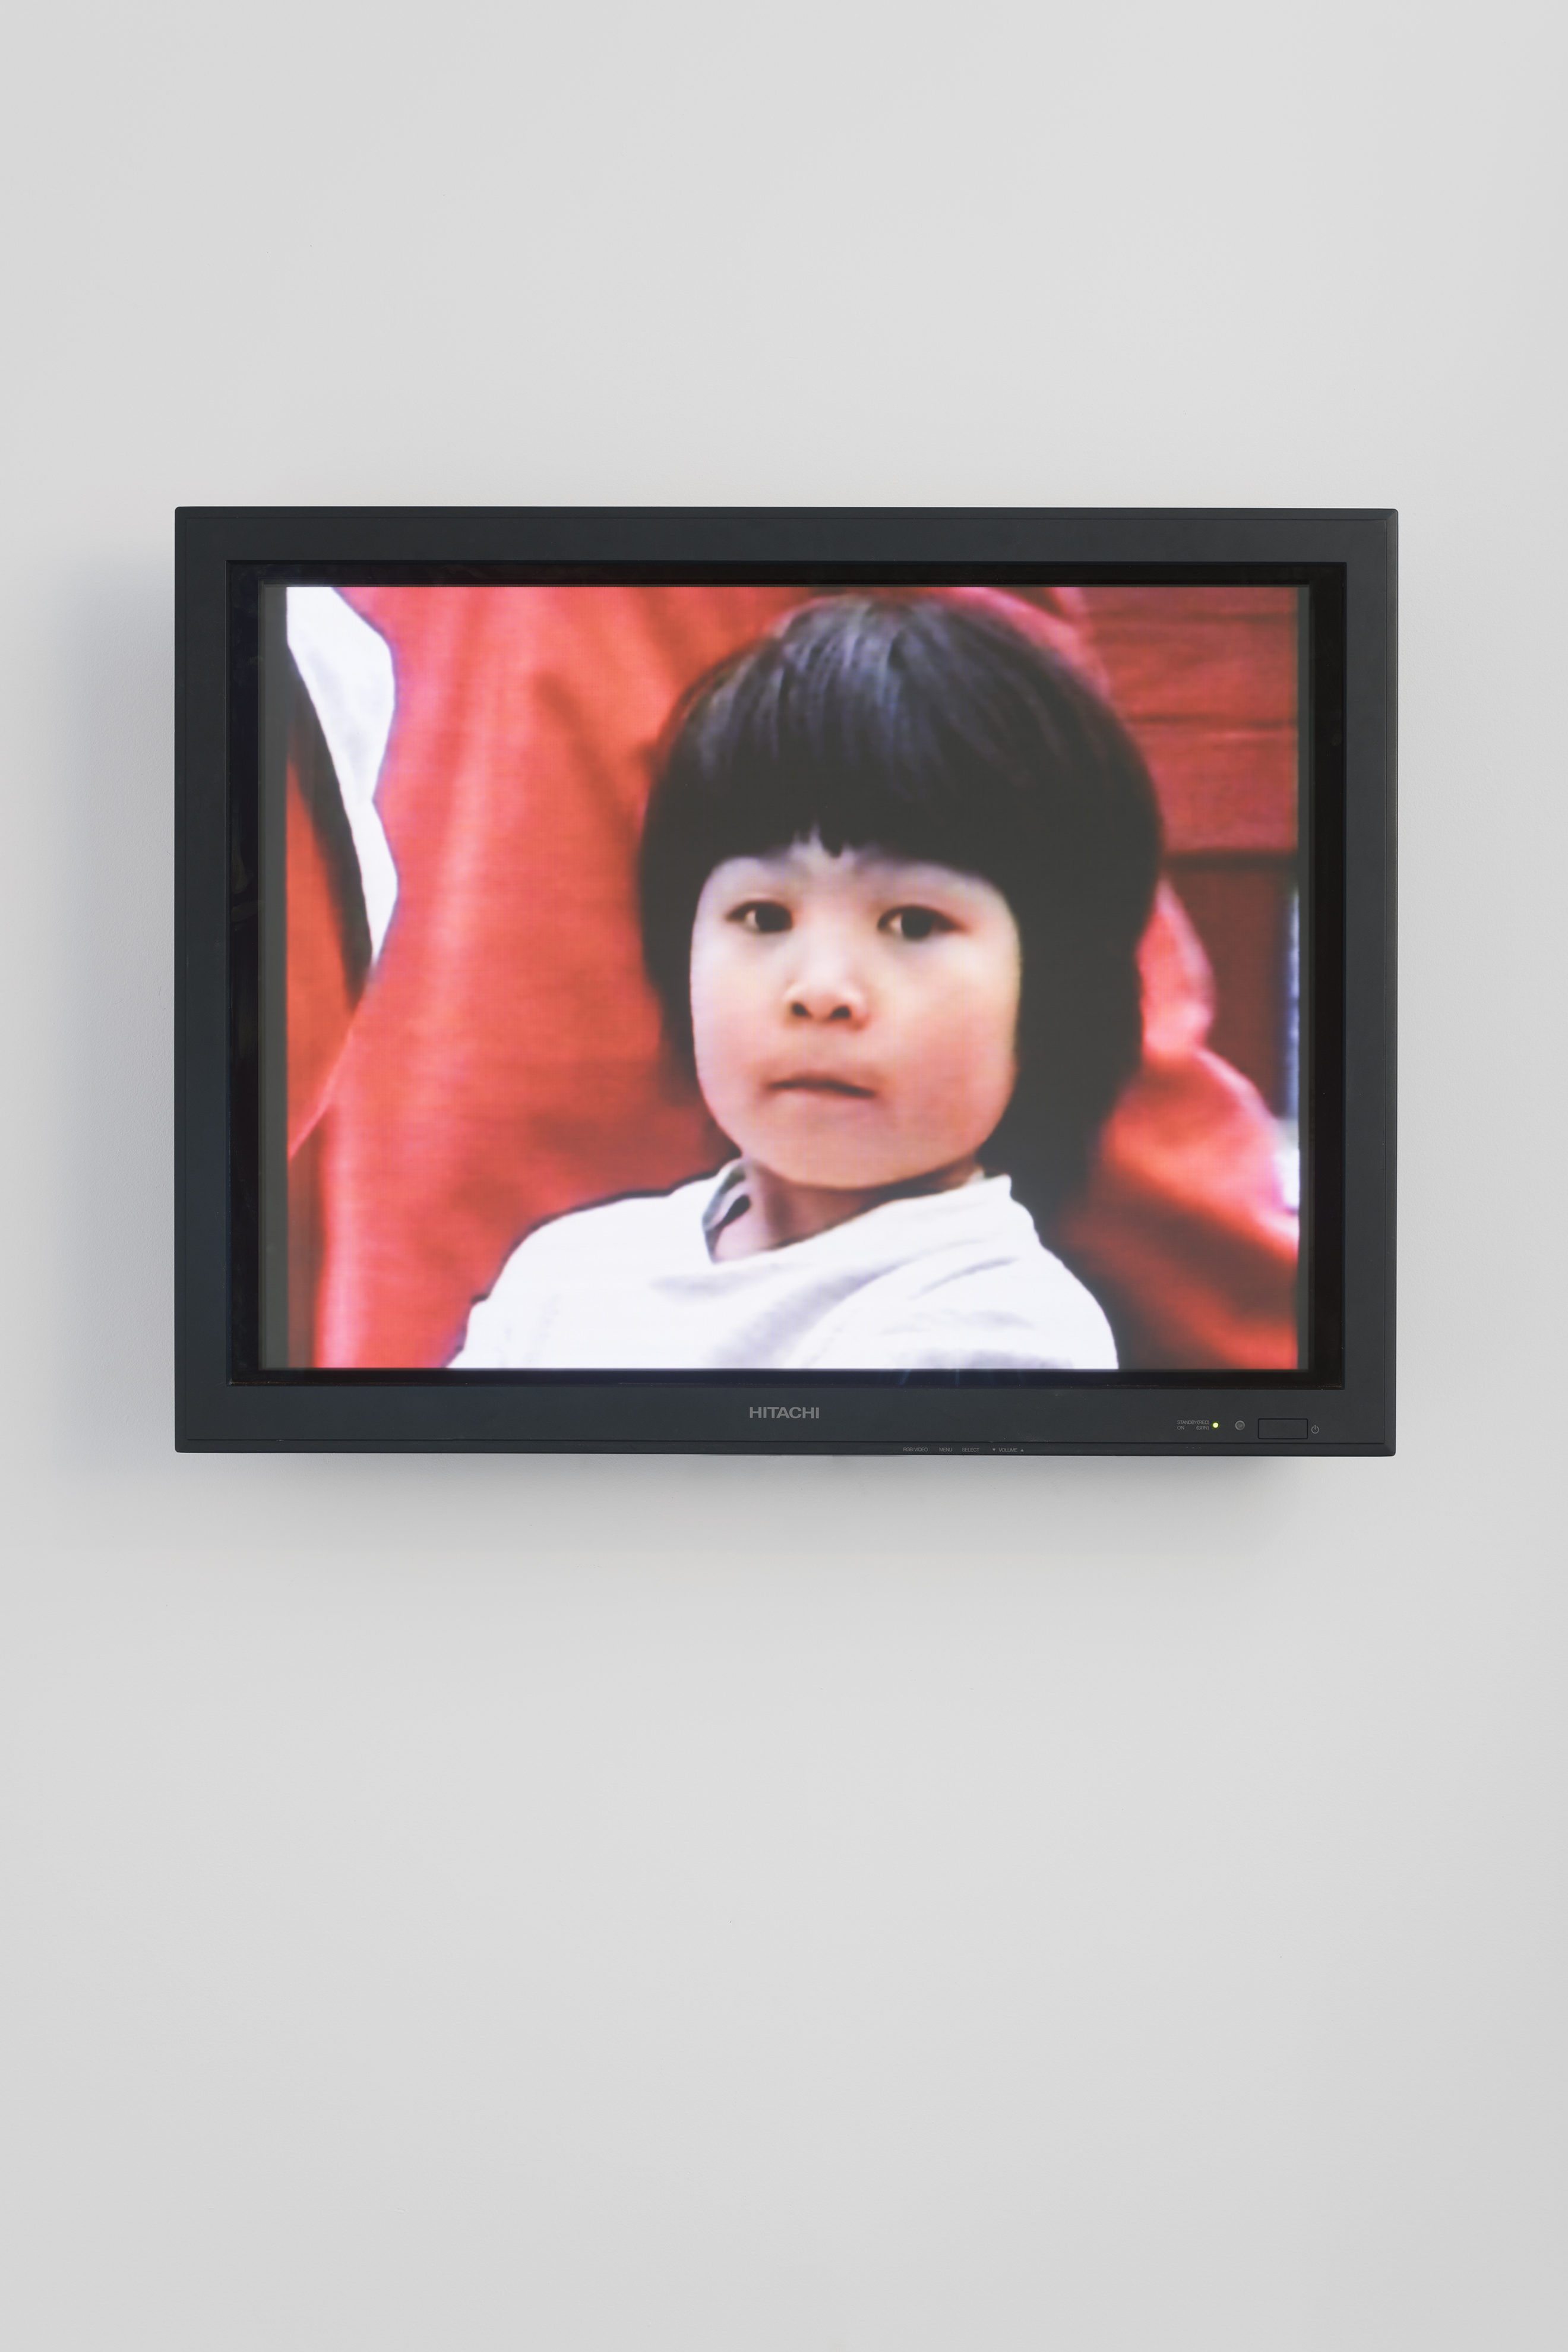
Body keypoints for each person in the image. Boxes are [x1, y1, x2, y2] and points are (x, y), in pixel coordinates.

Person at [451, 595, 1164, 1371]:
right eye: (763, 917)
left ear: (1053, 993)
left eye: (913, 923)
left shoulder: (998, 1326)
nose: (820, 990)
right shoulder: (570, 1274)